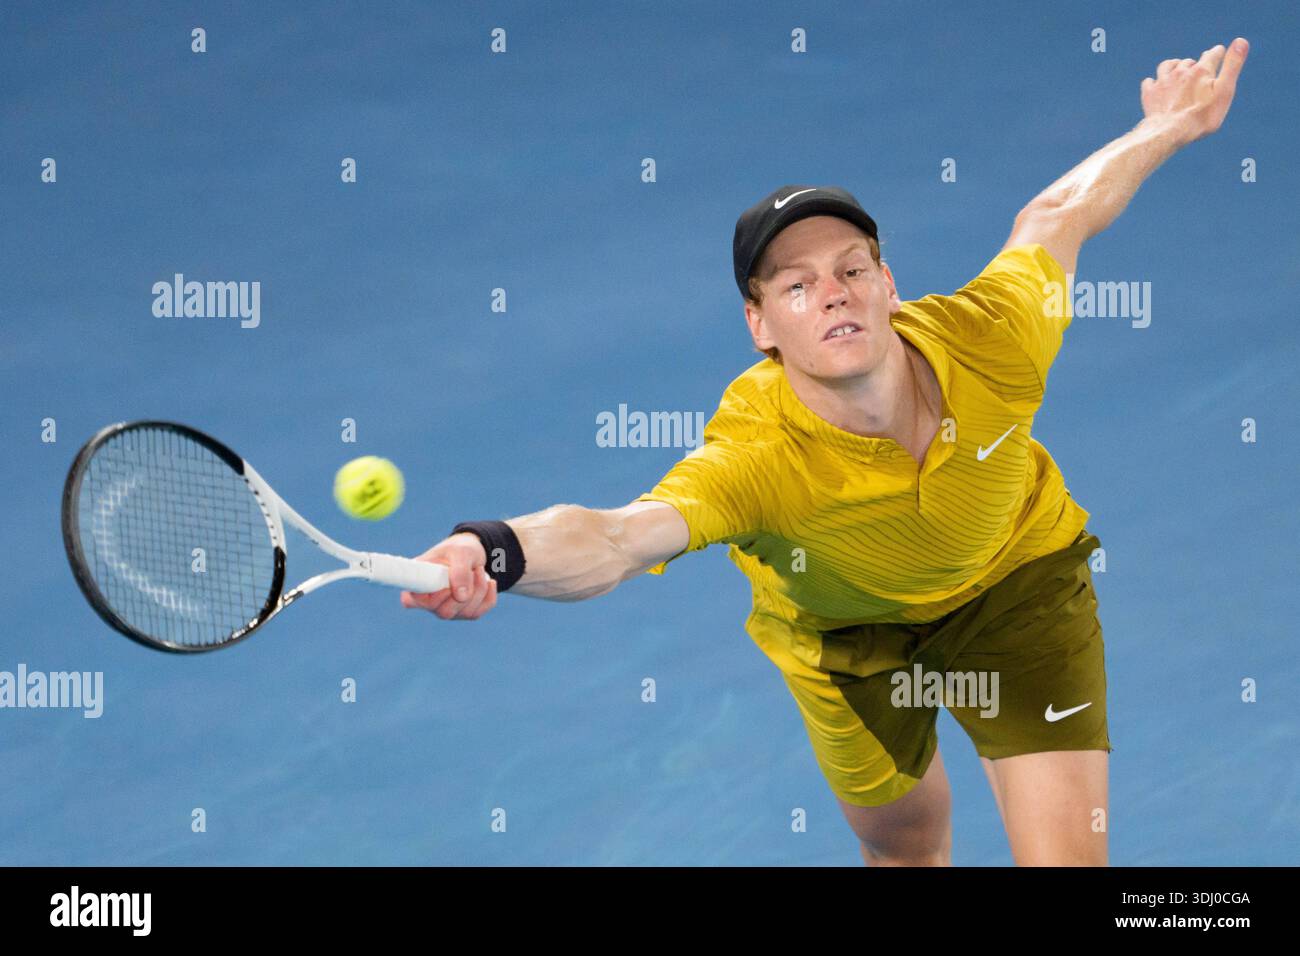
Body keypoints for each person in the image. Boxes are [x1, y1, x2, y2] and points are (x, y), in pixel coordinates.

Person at [401, 40, 1249, 866]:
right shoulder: (755, 457)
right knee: (906, 848)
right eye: (796, 284)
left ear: (889, 284)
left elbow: (1057, 217)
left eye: (850, 267)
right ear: (760, 326)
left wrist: (1167, 126)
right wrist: (494, 549)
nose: (832, 292)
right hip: (848, 637)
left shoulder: (994, 338)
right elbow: (619, 536)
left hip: (1016, 586)